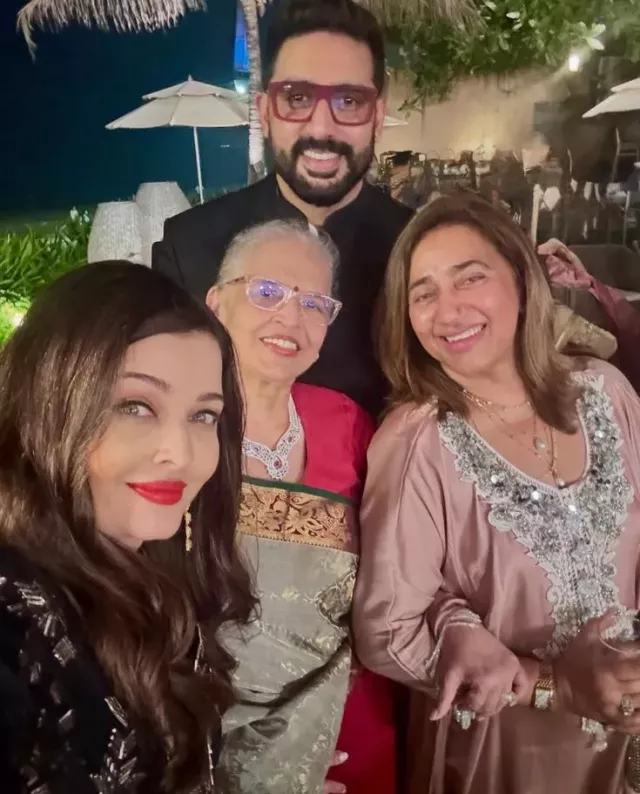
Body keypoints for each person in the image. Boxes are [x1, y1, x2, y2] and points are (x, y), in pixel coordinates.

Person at [352, 193, 640, 793]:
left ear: (523, 281)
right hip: (503, 752)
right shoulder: (417, 442)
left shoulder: (607, 393)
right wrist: (547, 684)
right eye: (423, 294)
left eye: (470, 278)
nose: (448, 310)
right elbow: (387, 631)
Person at [0, 262, 254, 792]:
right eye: (136, 407)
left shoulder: (161, 581)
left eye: (203, 416)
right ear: (49, 404)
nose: (180, 454)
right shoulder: (14, 616)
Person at [206, 221, 398, 794]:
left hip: (344, 725)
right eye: (266, 291)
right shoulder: (180, 426)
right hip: (208, 737)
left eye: (314, 303)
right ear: (216, 303)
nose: (290, 318)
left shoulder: (349, 424)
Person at [152, 0, 413, 417]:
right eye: (297, 97)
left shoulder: (418, 253)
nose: (321, 128)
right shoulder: (189, 247)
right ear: (265, 113)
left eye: (349, 101)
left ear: (377, 117)